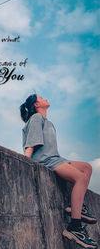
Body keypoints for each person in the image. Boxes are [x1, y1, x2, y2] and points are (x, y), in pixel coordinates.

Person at [20, 93, 98, 249]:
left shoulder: (47, 122)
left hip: (56, 158)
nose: (45, 98)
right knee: (80, 178)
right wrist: (25, 162)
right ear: (36, 105)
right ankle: (75, 227)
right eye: (41, 97)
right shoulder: (36, 118)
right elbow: (31, 144)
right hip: (46, 160)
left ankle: (76, 206)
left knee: (86, 167)